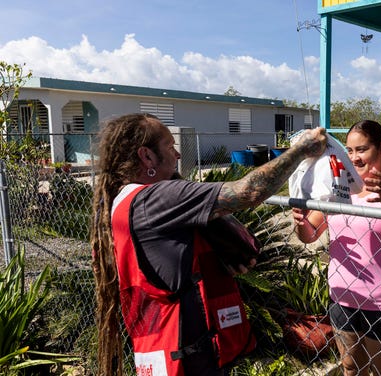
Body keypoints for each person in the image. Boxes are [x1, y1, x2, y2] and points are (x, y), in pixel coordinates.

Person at [90, 113, 327, 376]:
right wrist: (301, 150)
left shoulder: (121, 202)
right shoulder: (157, 197)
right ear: (147, 157)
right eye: (170, 146)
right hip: (191, 359)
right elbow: (247, 191)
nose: (178, 155)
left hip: (159, 352)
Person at [292, 120, 381, 376]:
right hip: (342, 298)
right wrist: (300, 221)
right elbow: (310, 235)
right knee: (351, 368)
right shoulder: (338, 187)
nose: (354, 158)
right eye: (349, 150)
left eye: (361, 149)